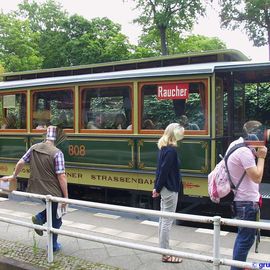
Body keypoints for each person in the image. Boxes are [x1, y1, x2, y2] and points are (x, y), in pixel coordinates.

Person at [1, 126, 68, 252]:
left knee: (54, 214)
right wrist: (66, 197)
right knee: (56, 219)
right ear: (56, 138)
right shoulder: (57, 153)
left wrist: (14, 176)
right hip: (52, 191)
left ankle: (41, 220)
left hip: (35, 187)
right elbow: (61, 176)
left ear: (45, 136)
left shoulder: (33, 148)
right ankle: (50, 241)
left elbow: (21, 162)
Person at [227, 120, 267, 270]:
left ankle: (238, 265)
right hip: (247, 202)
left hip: (242, 200)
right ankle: (236, 267)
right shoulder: (244, 152)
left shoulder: (237, 144)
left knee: (243, 238)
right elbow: (257, 177)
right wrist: (261, 157)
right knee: (245, 240)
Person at [152, 123, 184, 263]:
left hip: (165, 188)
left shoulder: (164, 148)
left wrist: (156, 187)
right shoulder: (171, 151)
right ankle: (165, 253)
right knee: (166, 221)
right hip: (170, 189)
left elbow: (159, 170)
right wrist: (157, 188)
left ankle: (163, 249)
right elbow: (164, 171)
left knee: (162, 219)